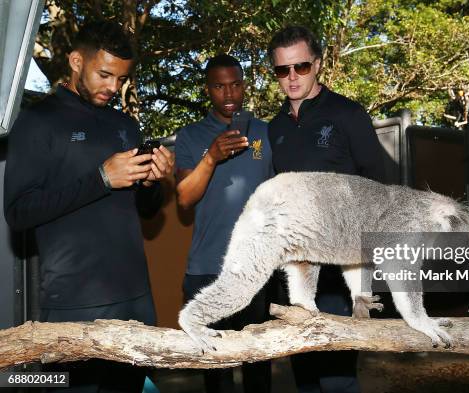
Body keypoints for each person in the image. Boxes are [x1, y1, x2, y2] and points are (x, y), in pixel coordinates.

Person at [3, 21, 174, 393]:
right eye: (104, 74)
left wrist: (152, 182)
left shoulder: (125, 125)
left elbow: (146, 209)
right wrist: (101, 178)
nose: (113, 87)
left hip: (136, 301)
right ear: (76, 61)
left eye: (121, 78)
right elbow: (18, 213)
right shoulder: (37, 122)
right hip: (74, 305)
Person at [267, 25, 385, 393]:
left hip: (338, 268)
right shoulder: (275, 128)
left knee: (337, 378)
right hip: (295, 267)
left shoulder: (348, 114)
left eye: (300, 67)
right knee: (305, 375)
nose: (291, 78)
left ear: (317, 64)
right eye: (282, 70)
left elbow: (380, 184)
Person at [174, 54, 273, 393]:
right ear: (207, 90)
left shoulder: (265, 132)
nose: (228, 94)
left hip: (254, 269)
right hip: (207, 268)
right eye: (219, 86)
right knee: (216, 371)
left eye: (235, 84)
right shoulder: (189, 136)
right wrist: (211, 157)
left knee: (258, 366)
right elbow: (184, 199)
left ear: (244, 86)